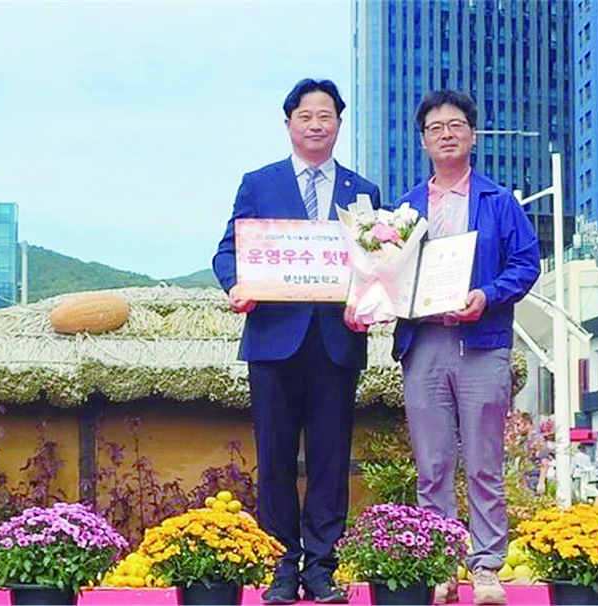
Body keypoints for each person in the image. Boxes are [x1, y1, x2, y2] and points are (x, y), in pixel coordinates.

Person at [212, 78, 381, 605]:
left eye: (326, 115)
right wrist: (235, 285)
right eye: (305, 115)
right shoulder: (258, 183)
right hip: (273, 342)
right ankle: (282, 567)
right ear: (288, 123)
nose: (315, 124)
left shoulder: (364, 192)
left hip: (337, 341)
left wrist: (370, 301)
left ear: (338, 123)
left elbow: (377, 267)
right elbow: (226, 252)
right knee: (276, 458)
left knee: (331, 460)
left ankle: (323, 568)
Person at [392, 90, 540, 606]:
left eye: (456, 125)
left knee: (483, 460)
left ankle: (486, 568)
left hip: (482, 342)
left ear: (473, 135)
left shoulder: (500, 202)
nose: (446, 133)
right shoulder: (405, 208)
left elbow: (525, 265)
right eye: (435, 127)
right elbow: (386, 272)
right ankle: (440, 562)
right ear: (423, 140)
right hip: (424, 341)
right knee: (431, 461)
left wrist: (488, 294)